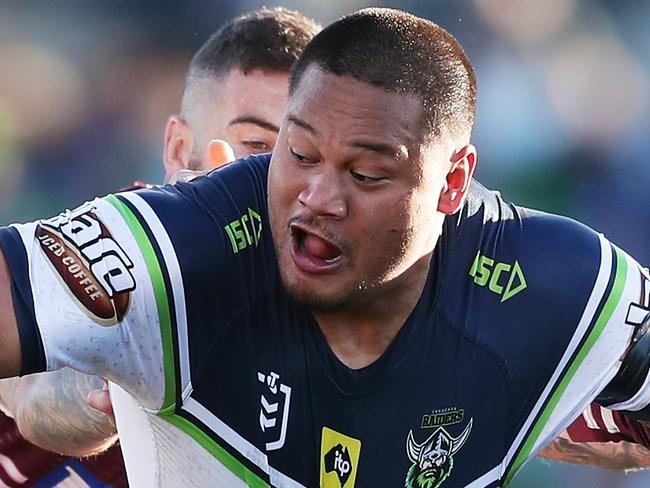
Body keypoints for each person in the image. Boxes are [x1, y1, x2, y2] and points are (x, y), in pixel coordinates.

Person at [0, 7, 649, 487]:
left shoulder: (515, 285)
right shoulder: (157, 256)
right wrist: (51, 402)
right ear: (177, 152)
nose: (314, 196)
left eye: (360, 167)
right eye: (279, 150)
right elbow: (43, 364)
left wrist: (592, 419)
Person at [0, 6, 320, 487]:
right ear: (176, 149)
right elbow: (32, 389)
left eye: (302, 154)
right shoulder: (120, 250)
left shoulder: (345, 300)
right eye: (255, 144)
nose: (272, 177)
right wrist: (92, 395)